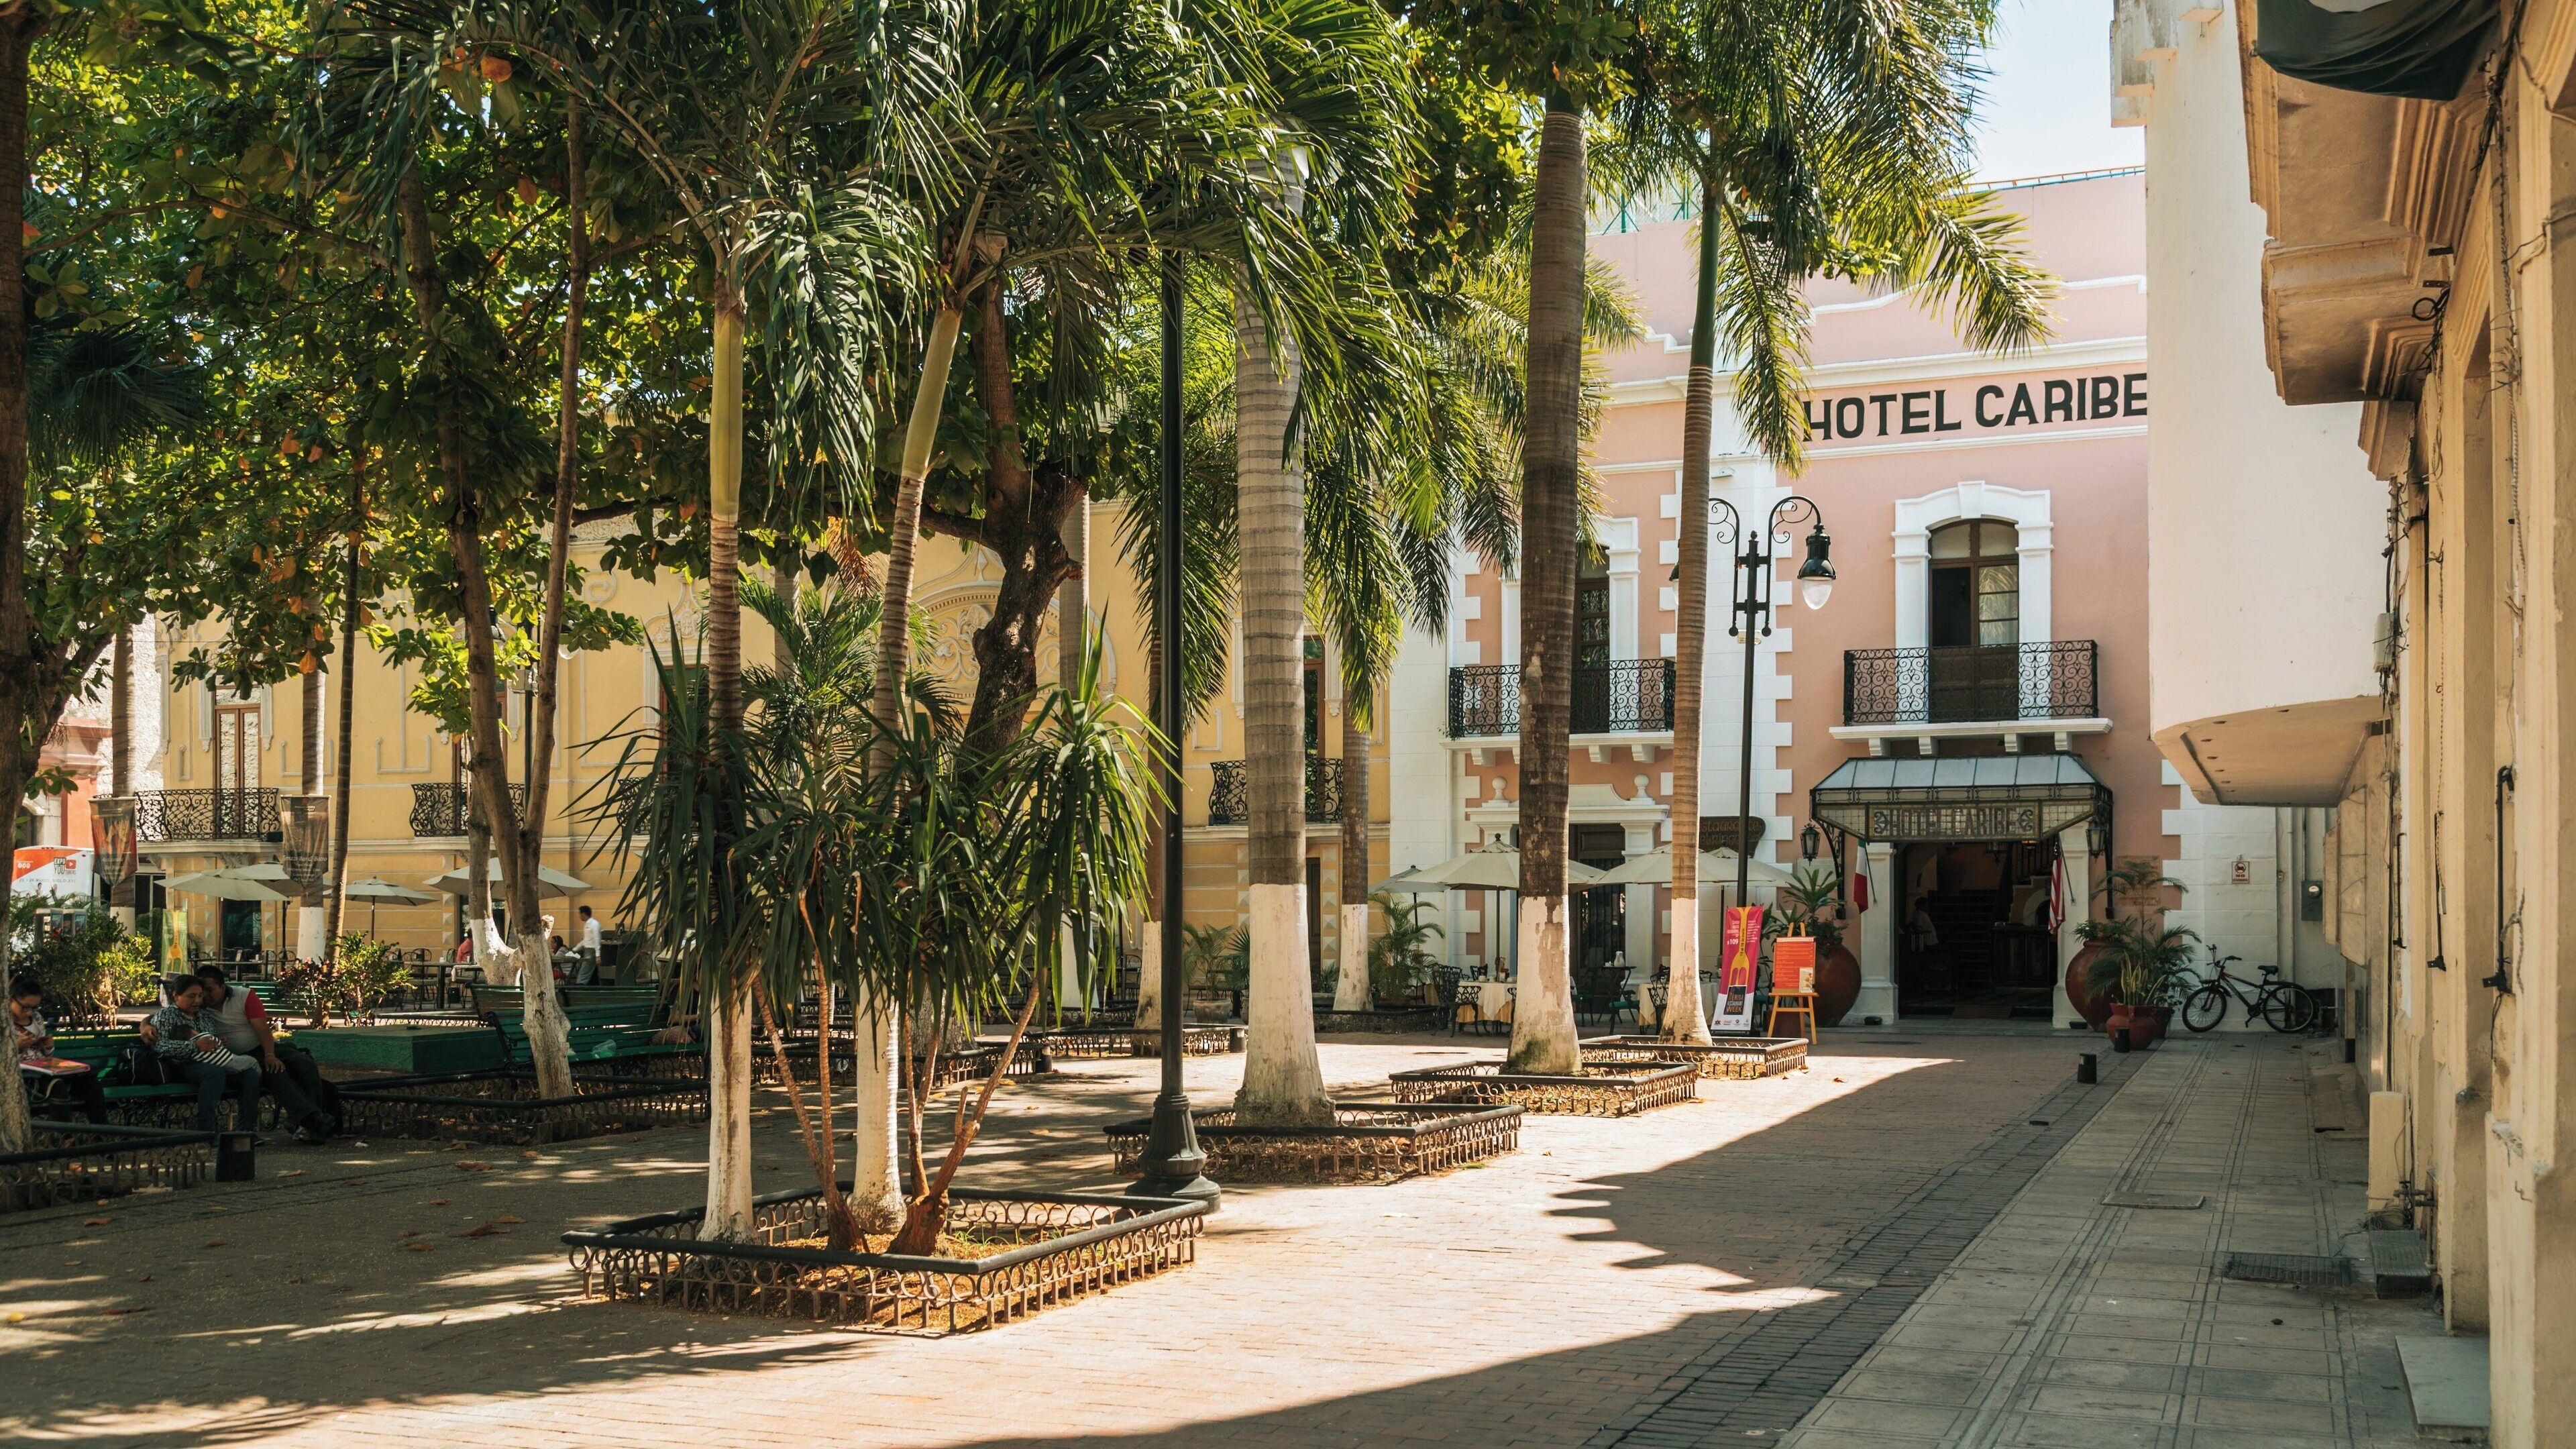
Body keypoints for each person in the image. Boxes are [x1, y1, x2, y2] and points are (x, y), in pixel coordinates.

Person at [191, 965, 340, 1142]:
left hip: (264, 1047)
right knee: (276, 1071)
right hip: (239, 1057)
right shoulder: (196, 1004)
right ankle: (313, 1121)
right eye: (202, 992)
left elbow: (262, 1029)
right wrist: (147, 1027)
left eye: (210, 990)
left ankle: (309, 1122)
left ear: (223, 987)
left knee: (303, 1062)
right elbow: (163, 1017)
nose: (205, 996)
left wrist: (270, 1055)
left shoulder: (243, 996)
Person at [144, 976, 263, 1135]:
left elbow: (210, 1037)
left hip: (212, 1060)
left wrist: (218, 1042)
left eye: (200, 996)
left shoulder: (204, 1015)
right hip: (181, 1065)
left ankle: (245, 1132)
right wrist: (194, 1045)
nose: (197, 1001)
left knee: (249, 1075)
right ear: (176, 996)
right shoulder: (166, 1016)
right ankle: (206, 1132)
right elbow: (160, 1046)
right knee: (214, 1073)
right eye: (191, 997)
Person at [10, 975, 107, 1124]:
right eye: (25, 1007)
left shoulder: (36, 1019)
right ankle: (65, 1137)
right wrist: (15, 1046)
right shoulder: (5, 1022)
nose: (30, 1012)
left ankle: (103, 1131)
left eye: (35, 1007)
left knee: (91, 1083)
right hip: (24, 1076)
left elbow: (46, 1054)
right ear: (11, 1000)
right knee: (57, 1086)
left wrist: (48, 1047)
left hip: (45, 1069)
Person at [576, 904, 603, 985]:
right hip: (587, 950)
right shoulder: (587, 924)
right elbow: (586, 940)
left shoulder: (595, 924)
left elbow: (597, 939)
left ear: (583, 914)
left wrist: (598, 955)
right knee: (592, 972)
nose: (579, 916)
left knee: (584, 971)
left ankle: (579, 987)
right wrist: (576, 949)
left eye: (580, 914)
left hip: (592, 951)